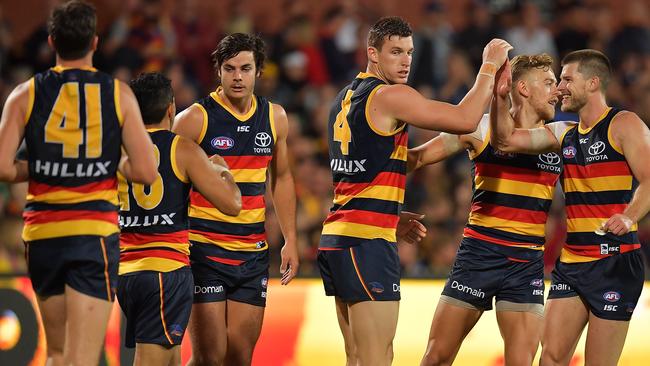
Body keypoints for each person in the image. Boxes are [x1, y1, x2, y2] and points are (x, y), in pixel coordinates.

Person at [317, 16, 512, 366]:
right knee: (378, 358)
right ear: (372, 54)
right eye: (395, 52)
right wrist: (489, 65)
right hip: (366, 243)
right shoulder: (391, 95)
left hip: (338, 238)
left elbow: (363, 170)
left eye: (409, 51)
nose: (406, 60)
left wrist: (391, 213)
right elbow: (466, 118)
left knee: (357, 357)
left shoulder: (343, 98)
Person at [0, 1, 157, 365]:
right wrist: (109, 162)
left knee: (56, 354)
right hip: (92, 234)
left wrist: (39, 167)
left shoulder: (26, 93)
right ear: (96, 42)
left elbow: (4, 168)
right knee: (83, 358)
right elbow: (147, 171)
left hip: (42, 235)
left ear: (52, 41)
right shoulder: (118, 94)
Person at [410, 54, 574, 366]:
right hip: (479, 256)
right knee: (435, 358)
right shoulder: (479, 128)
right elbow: (415, 159)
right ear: (523, 88)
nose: (557, 90)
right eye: (549, 82)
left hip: (526, 262)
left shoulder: (560, 137)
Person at [491, 49, 650, 366]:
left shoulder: (624, 124)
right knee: (549, 359)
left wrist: (629, 216)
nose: (559, 87)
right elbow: (505, 141)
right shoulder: (564, 133)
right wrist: (499, 95)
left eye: (566, 79)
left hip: (615, 263)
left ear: (592, 83)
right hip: (572, 264)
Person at [172, 33, 299, 365]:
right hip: (204, 253)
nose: (238, 77)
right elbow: (169, 181)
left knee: (239, 357)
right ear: (219, 71)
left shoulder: (275, 118)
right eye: (230, 69)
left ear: (259, 71)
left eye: (245, 68)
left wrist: (291, 239)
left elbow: (282, 178)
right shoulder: (194, 119)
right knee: (209, 358)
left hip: (252, 256)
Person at [116, 73, 241, 366]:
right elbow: (232, 205)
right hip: (165, 272)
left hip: (126, 272)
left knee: (171, 359)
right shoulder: (181, 149)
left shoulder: (119, 151)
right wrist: (223, 172)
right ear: (171, 109)